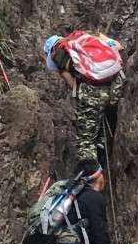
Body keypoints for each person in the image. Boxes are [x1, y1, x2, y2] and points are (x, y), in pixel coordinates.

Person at [43, 30, 124, 165]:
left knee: (85, 140)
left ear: (51, 51)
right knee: (108, 113)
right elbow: (115, 45)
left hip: (96, 90)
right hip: (117, 80)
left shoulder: (59, 57)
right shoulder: (82, 37)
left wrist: (84, 105)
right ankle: (104, 140)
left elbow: (75, 88)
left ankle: (91, 171)